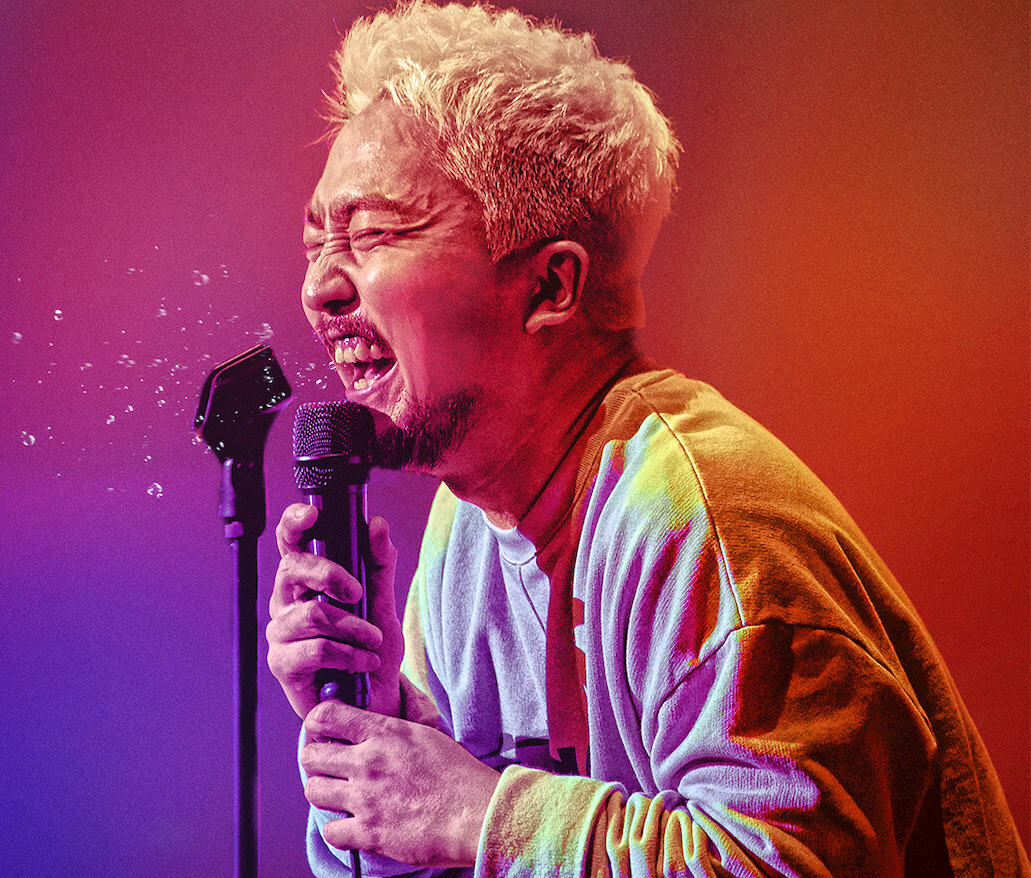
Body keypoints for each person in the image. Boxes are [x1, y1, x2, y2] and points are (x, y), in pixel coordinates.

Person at [263, 3, 1028, 875]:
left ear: (550, 286)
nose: (319, 288)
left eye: (372, 234)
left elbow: (790, 864)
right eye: (317, 242)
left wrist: (481, 814)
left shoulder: (703, 520)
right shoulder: (465, 528)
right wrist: (382, 740)